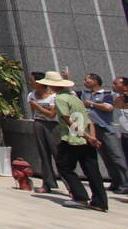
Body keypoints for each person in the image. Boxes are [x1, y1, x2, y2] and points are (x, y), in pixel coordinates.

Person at [41, 71, 109, 211]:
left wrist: (86, 136)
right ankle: (100, 202)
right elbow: (88, 119)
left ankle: (80, 197)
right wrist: (91, 137)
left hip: (72, 138)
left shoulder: (60, 99)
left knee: (64, 166)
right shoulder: (74, 98)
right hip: (86, 137)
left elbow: (67, 120)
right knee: (92, 170)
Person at [82, 73, 128, 193]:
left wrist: (91, 104)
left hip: (106, 129)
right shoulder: (85, 94)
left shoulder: (107, 94)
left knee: (116, 157)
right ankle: (115, 181)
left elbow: (108, 107)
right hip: (93, 129)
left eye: (87, 80)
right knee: (106, 157)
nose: (84, 82)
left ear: (95, 81)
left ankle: (125, 183)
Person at [27, 78, 61, 194]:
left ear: (40, 83)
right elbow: (33, 112)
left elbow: (52, 114)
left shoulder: (53, 96)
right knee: (44, 155)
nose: (30, 83)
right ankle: (47, 183)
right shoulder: (31, 95)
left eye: (33, 81)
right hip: (38, 124)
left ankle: (71, 185)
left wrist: (38, 107)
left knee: (58, 154)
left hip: (53, 126)